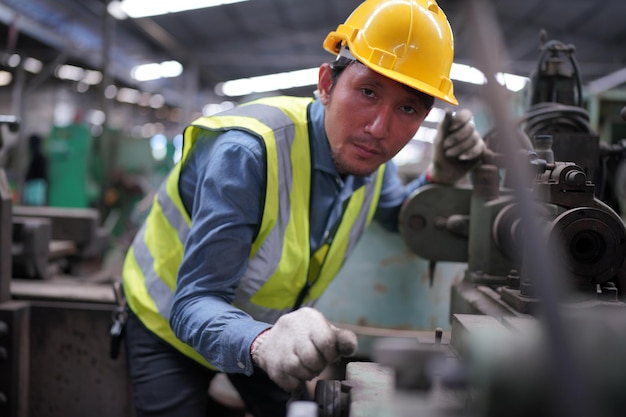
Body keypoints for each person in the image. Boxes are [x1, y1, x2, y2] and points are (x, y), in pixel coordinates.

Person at [120, 0, 485, 415]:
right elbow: (193, 303)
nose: (379, 129)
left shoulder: (373, 167)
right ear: (327, 84)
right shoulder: (248, 153)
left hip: (268, 332)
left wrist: (441, 178)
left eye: (408, 108)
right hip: (168, 326)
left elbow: (400, 216)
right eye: (368, 92)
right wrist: (263, 343)